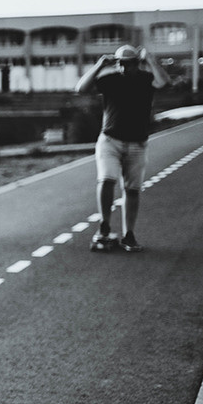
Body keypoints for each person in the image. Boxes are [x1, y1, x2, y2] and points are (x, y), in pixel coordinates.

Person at [75, 44, 171, 252]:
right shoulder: (110, 80)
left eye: (130, 63)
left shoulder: (146, 79)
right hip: (110, 140)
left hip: (137, 142)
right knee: (106, 180)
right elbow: (81, 88)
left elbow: (164, 83)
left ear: (138, 63)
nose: (125, 67)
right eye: (121, 63)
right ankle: (105, 225)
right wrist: (100, 65)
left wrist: (151, 60)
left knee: (132, 190)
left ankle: (129, 234)